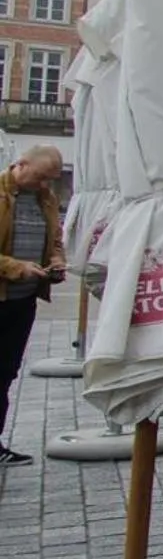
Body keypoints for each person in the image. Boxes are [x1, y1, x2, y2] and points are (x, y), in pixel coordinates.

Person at [0, 146, 67, 465]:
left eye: (50, 180)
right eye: (40, 177)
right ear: (20, 165)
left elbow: (55, 240)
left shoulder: (46, 200)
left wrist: (56, 261)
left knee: (5, 374)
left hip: (22, 302)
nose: (44, 184)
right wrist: (18, 268)